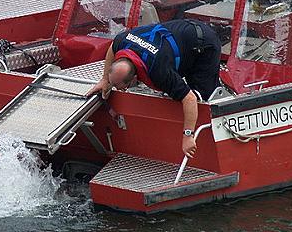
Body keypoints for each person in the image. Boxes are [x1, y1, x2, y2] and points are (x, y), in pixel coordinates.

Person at [88, 19, 221, 158]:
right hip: (180, 32)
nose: (121, 90)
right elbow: (112, 46)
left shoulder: (158, 71)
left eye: (123, 87)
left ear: (134, 78)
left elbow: (190, 99)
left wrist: (187, 135)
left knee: (203, 96)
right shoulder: (122, 40)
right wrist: (105, 80)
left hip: (203, 43)